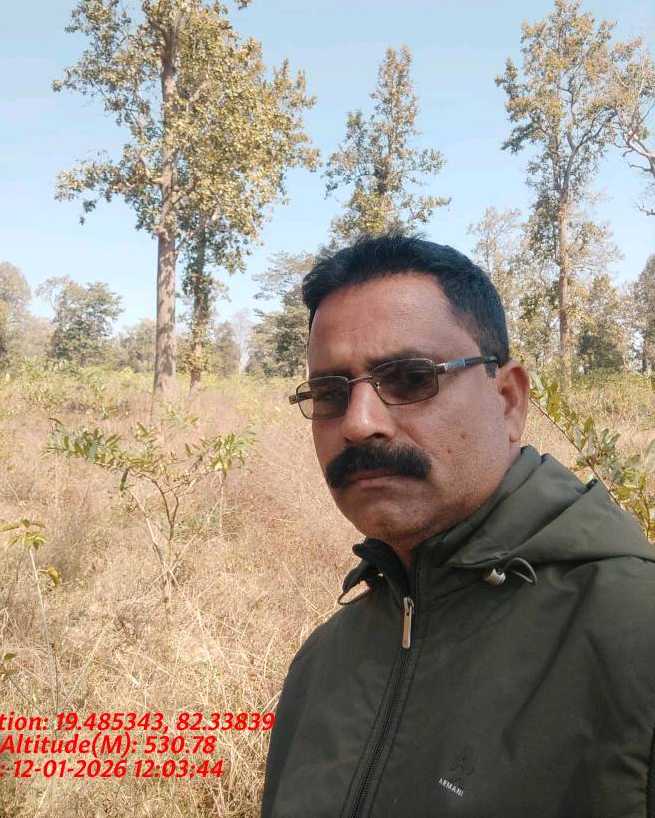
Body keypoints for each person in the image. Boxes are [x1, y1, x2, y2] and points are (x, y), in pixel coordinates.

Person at [260, 234, 655, 818]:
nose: (358, 423)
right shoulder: (321, 664)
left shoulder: (635, 638)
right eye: (329, 393)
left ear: (508, 400)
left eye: (410, 378)